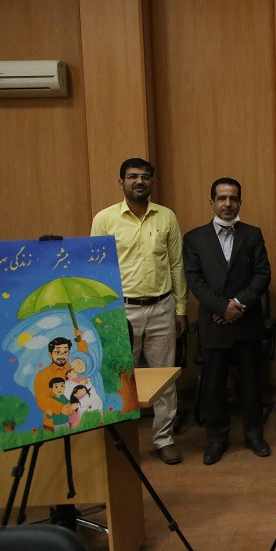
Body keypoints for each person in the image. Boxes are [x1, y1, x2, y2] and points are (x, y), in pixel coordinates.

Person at [91, 158, 189, 465]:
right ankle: (121, 443)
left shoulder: (166, 216)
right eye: (133, 176)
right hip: (121, 310)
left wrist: (181, 308)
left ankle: (164, 439)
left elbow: (176, 264)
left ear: (151, 182)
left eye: (145, 177)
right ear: (121, 182)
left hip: (162, 307)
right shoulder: (105, 219)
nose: (139, 181)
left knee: (164, 379)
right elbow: (97, 269)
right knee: (120, 378)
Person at [183, 177, 272, 465]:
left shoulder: (253, 234)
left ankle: (254, 434)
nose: (227, 203)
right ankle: (216, 438)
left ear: (240, 202)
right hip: (214, 322)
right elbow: (194, 279)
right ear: (211, 203)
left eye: (233, 198)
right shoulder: (194, 238)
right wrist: (222, 307)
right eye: (221, 198)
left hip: (246, 321)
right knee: (214, 385)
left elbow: (262, 274)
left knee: (250, 383)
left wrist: (238, 305)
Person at [33, 334, 85, 432]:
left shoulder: (72, 369)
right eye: (58, 352)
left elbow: (85, 362)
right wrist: (61, 408)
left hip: (76, 421)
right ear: (50, 354)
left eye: (65, 352)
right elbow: (42, 400)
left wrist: (80, 341)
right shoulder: (42, 375)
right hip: (53, 425)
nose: (62, 355)